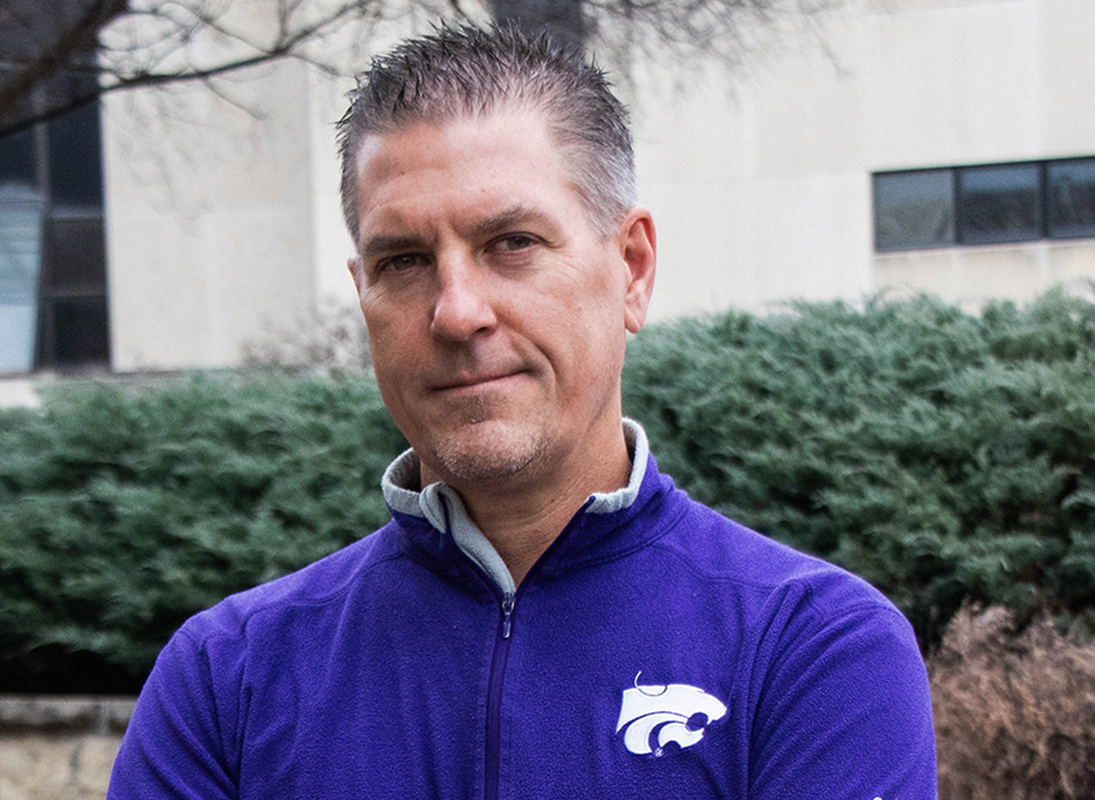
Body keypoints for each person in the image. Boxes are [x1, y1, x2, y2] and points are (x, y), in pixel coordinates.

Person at [108, 25, 937, 799]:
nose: (457, 311)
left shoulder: (812, 650)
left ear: (633, 268)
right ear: (363, 295)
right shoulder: (228, 680)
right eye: (405, 260)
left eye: (512, 243)